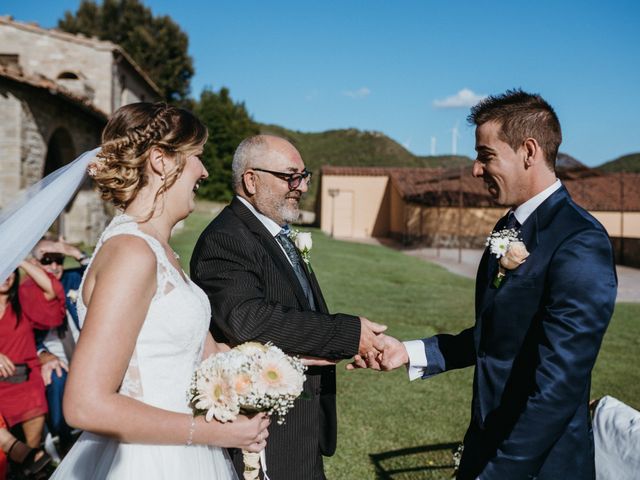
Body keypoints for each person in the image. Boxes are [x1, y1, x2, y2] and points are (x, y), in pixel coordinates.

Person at [356, 90, 618, 479]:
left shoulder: (580, 242)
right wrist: (410, 353)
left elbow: (559, 388)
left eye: (486, 155)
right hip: (485, 444)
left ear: (529, 151)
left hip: (536, 465)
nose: (476, 170)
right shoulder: (508, 228)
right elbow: (497, 338)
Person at [49, 102, 270, 480]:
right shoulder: (132, 253)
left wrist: (286, 362)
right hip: (146, 461)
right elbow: (85, 404)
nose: (204, 170)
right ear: (161, 161)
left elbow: (198, 352)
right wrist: (216, 432)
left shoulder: (159, 250)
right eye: (197, 157)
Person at [190, 134, 386, 480]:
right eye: (289, 176)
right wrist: (347, 333)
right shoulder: (226, 238)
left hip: (302, 424)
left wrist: (333, 346)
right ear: (251, 180)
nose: (301, 186)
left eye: (303, 176)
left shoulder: (276, 230)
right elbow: (247, 319)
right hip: (266, 430)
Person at [0, 261, 65, 451]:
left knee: (33, 404)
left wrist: (19, 258)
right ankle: (25, 461)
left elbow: (51, 289)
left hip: (24, 380)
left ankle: (30, 461)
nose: (7, 276)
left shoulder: (23, 300)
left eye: (10, 271)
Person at [32, 237, 88, 455]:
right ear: (35, 263)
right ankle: (63, 437)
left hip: (85, 351)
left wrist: (73, 251)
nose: (54, 266)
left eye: (59, 259)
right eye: (47, 260)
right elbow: (25, 333)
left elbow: (105, 270)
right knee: (57, 375)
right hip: (54, 357)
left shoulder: (72, 279)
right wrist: (42, 354)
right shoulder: (29, 291)